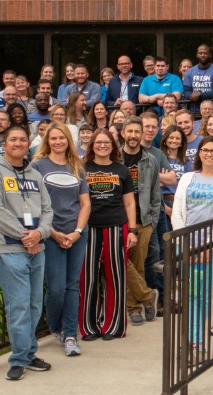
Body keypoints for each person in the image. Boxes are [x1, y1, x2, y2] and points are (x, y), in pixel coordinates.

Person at [0, 125, 54, 380]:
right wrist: (26, 237)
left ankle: (29, 352)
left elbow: (47, 209)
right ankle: (18, 359)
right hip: (10, 248)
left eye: (23, 139)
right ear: (5, 143)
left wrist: (40, 234)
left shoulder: (34, 174)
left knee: (34, 304)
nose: (19, 143)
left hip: (37, 247)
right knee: (19, 304)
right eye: (13, 139)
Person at [29, 122, 90, 356]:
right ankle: (55, 326)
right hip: (50, 235)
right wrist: (52, 232)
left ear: (68, 141)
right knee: (55, 289)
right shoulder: (37, 167)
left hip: (76, 234)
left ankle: (70, 334)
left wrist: (77, 232)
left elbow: (85, 203)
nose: (57, 142)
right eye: (53, 138)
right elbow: (34, 203)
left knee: (72, 286)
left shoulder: (77, 166)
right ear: (47, 141)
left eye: (61, 138)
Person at [172, 137, 213, 348]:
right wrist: (186, 246)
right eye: (205, 150)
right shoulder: (187, 178)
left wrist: (208, 247)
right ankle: (192, 338)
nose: (209, 154)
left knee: (203, 293)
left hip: (212, 247)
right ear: (199, 153)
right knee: (190, 293)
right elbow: (177, 213)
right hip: (187, 245)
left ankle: (197, 339)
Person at [79, 129, 138, 341]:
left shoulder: (121, 170)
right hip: (88, 228)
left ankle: (113, 325)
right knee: (88, 278)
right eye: (98, 142)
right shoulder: (82, 169)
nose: (102, 146)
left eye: (107, 142)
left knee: (115, 276)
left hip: (116, 226)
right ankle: (89, 326)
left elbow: (130, 202)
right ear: (91, 145)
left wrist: (132, 230)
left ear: (113, 146)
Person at [116, 120, 162, 326]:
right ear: (123, 133)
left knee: (137, 263)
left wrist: (152, 220)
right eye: (130, 131)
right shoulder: (114, 157)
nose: (133, 135)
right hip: (117, 218)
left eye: (137, 131)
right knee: (122, 262)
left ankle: (134, 308)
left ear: (142, 134)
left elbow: (155, 192)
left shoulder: (150, 159)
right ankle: (146, 297)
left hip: (143, 219)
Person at [184, 44, 213, 113]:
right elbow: (186, 91)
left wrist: (200, 95)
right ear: (197, 55)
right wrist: (191, 96)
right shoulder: (189, 72)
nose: (203, 55)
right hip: (194, 111)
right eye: (200, 53)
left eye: (205, 53)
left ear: (210, 55)